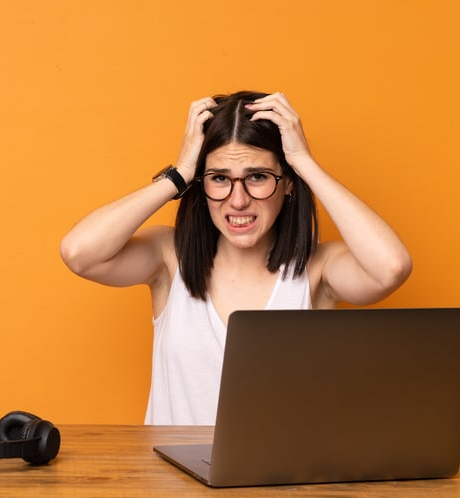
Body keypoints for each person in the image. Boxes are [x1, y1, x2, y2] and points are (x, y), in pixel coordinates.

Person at [60, 91, 412, 425]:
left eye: (257, 177)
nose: (238, 200)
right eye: (219, 179)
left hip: (280, 484)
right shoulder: (169, 257)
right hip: (171, 486)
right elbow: (80, 253)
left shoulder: (318, 268)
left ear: (288, 183)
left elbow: (390, 267)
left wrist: (303, 162)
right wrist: (180, 172)